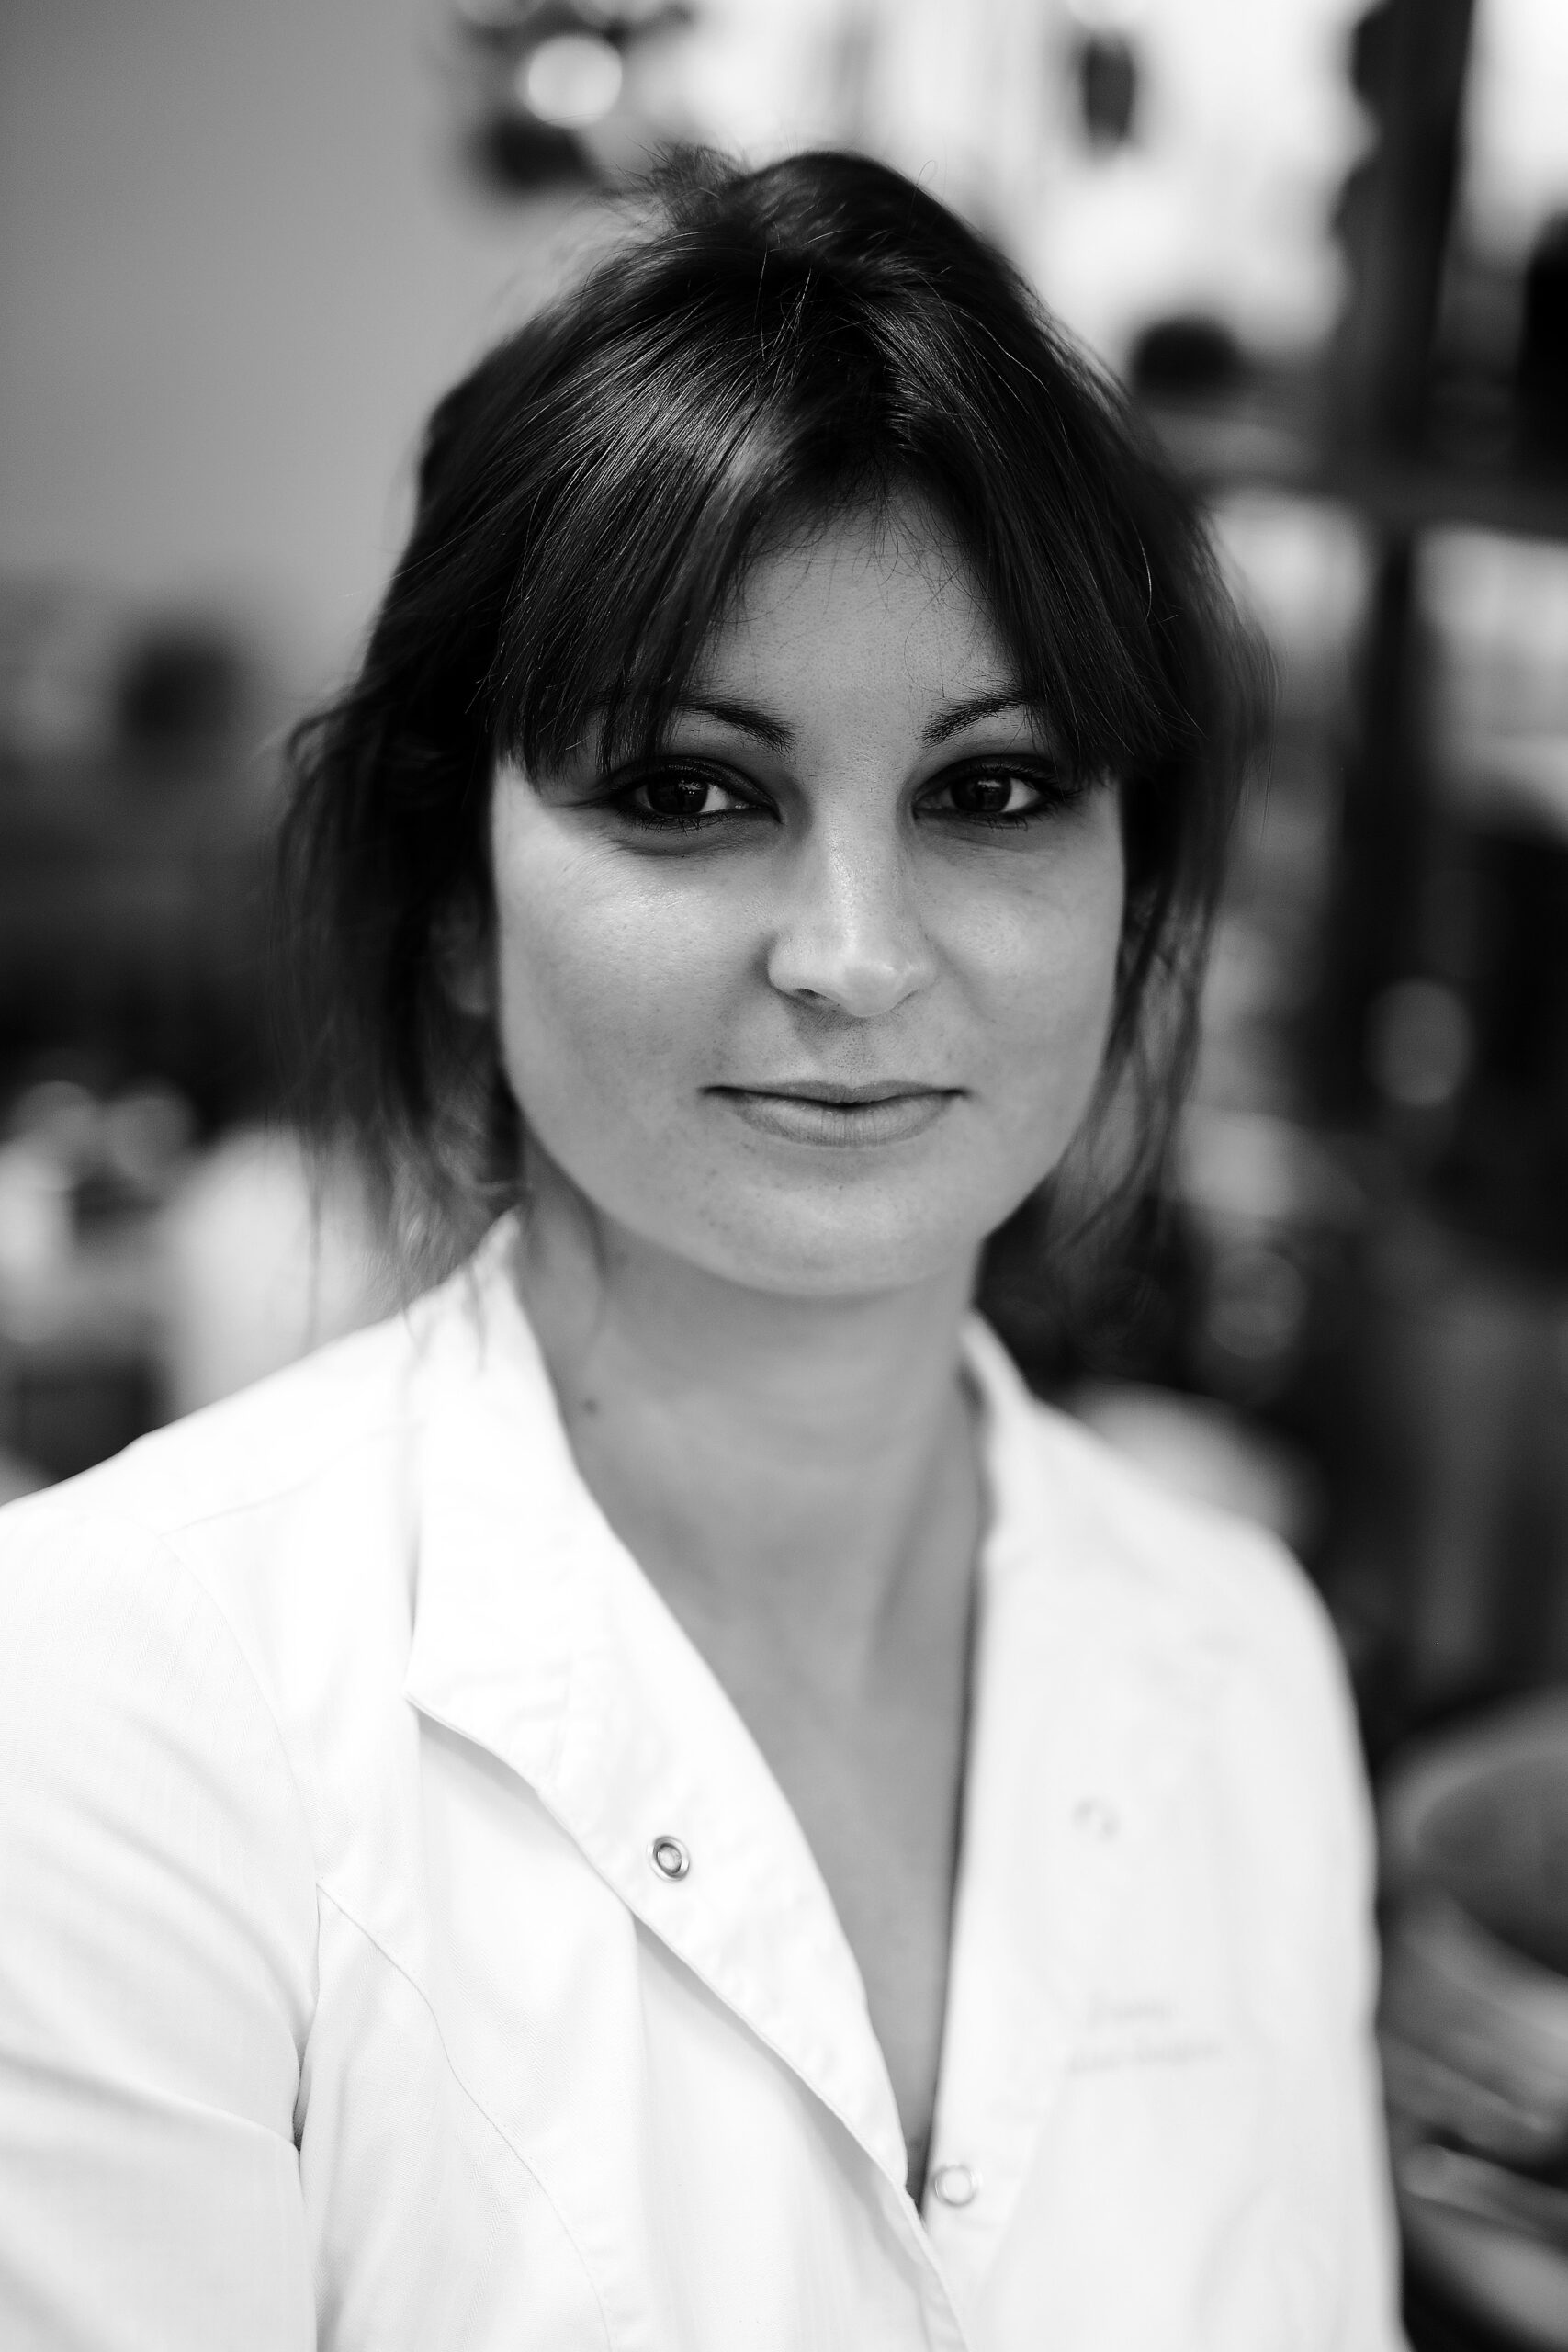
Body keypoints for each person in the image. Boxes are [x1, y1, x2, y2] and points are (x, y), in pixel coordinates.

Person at [0, 150, 1402, 2350]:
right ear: (456, 907)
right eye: (686, 788)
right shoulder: (109, 1704)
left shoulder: (1237, 1662)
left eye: (990, 790)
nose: (853, 955)